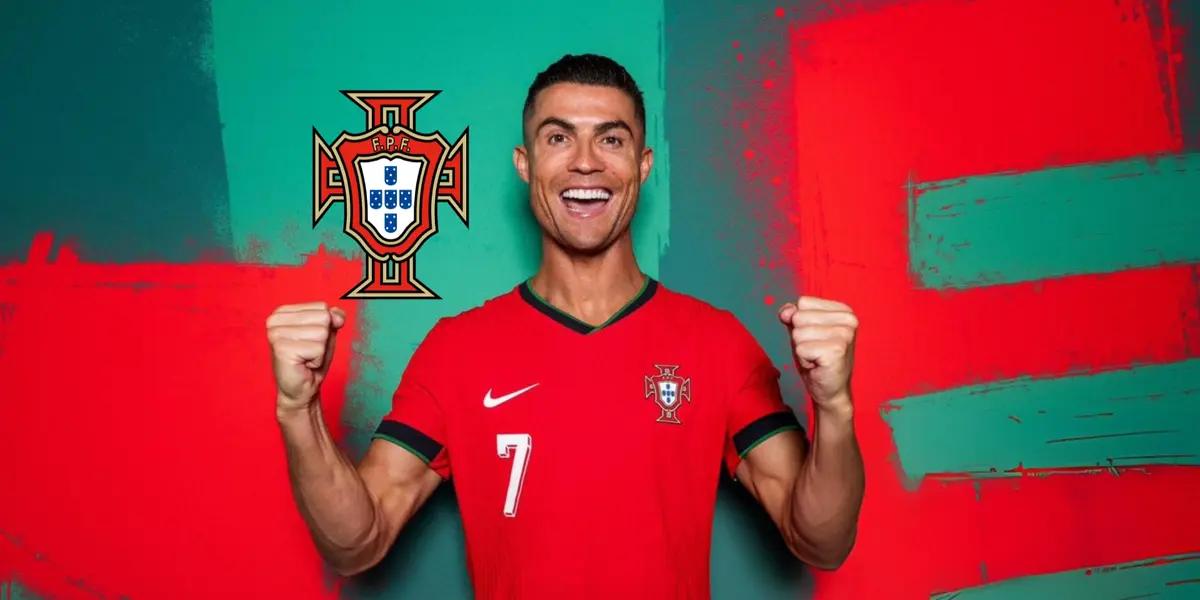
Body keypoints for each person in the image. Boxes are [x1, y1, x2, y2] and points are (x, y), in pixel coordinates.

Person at [267, 53, 865, 598]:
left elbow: (821, 541)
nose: (585, 161)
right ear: (525, 165)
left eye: (612, 139)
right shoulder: (458, 350)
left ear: (643, 163)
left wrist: (834, 408)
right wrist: (300, 412)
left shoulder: (715, 343)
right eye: (559, 138)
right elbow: (356, 542)